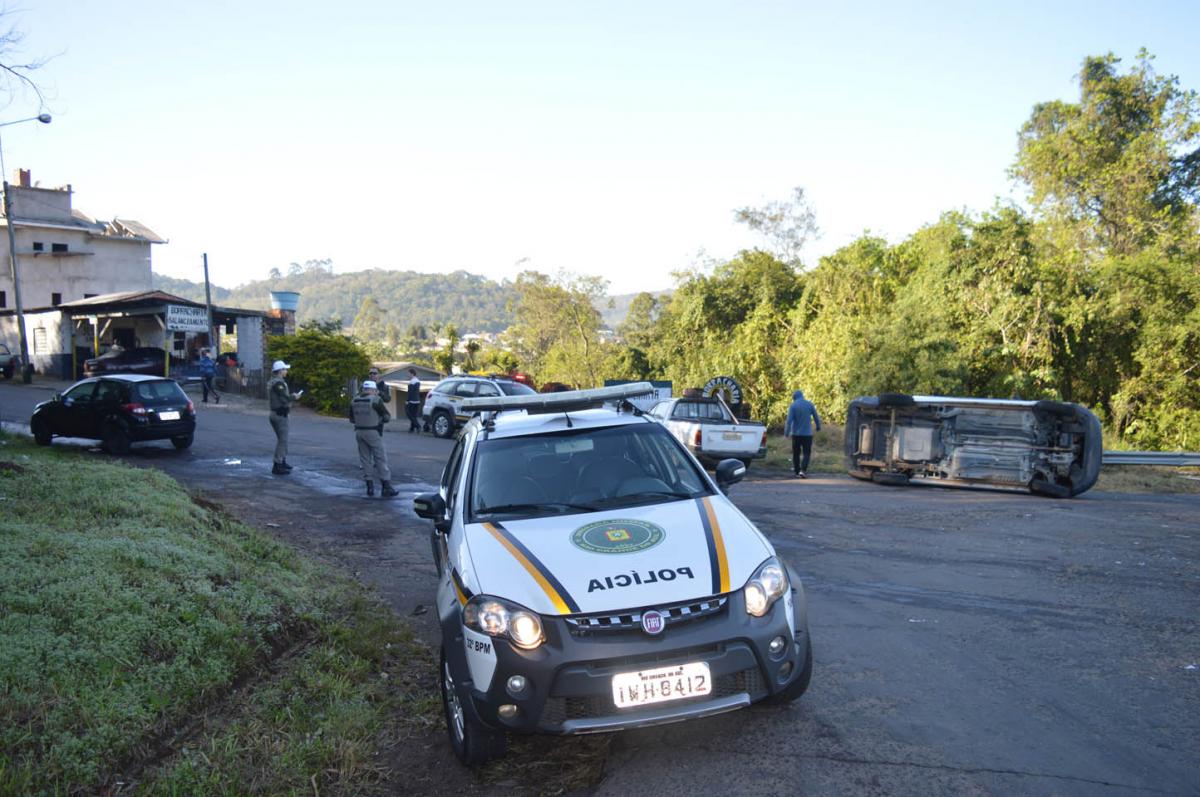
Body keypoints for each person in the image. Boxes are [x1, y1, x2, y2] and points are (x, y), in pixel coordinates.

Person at [349, 380, 398, 497]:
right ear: (372, 390)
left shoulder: (354, 400)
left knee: (365, 459)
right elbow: (386, 416)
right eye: (375, 390)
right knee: (380, 458)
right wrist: (378, 420)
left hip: (359, 432)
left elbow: (351, 419)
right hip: (373, 431)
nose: (376, 392)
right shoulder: (376, 400)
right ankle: (386, 486)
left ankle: (369, 487)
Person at [267, 360, 302, 475]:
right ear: (280, 371)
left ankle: (282, 461)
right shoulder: (278, 383)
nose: (286, 371)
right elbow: (285, 398)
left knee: (283, 440)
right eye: (285, 369)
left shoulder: (276, 382)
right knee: (282, 440)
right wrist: (294, 396)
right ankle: (278, 464)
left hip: (277, 413)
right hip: (279, 414)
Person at [785, 389, 821, 478]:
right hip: (807, 434)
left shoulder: (793, 406)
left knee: (796, 453)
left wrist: (786, 432)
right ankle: (803, 470)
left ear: (794, 398)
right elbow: (816, 417)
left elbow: (789, 421)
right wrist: (818, 426)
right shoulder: (809, 404)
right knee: (806, 453)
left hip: (796, 434)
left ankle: (797, 471)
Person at [405, 368, 422, 433]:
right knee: (414, 415)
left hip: (412, 401)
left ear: (412, 373)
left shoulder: (412, 382)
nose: (407, 375)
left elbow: (410, 392)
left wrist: (407, 400)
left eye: (408, 373)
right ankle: (412, 428)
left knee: (409, 414)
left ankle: (418, 426)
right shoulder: (417, 381)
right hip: (417, 401)